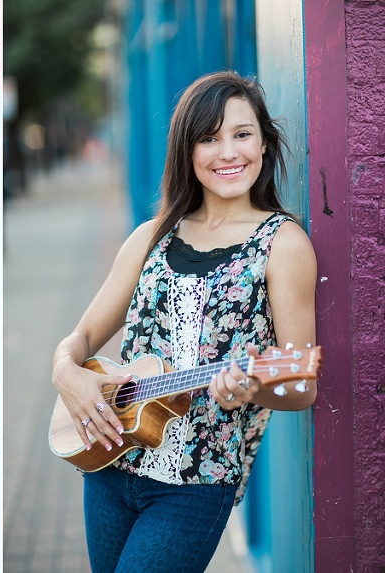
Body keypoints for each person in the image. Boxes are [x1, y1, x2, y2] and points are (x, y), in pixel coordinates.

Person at [51, 71, 317, 572]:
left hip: (197, 482)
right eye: (209, 138)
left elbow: (301, 385)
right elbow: (80, 337)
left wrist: (251, 390)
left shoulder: (284, 246)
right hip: (110, 461)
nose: (228, 152)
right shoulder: (153, 235)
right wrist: (66, 371)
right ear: (188, 151)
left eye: (241, 134)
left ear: (264, 143)